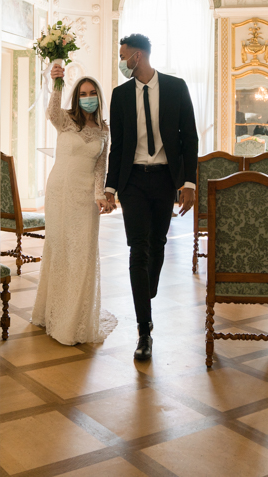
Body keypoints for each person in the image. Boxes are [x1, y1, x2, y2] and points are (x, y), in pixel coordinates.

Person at [103, 34, 199, 361]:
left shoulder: (175, 87)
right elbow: (118, 148)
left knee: (157, 243)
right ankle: (144, 330)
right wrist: (110, 188)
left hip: (164, 180)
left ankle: (147, 289)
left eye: (123, 56)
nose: (121, 61)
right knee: (138, 249)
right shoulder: (119, 96)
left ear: (138, 56)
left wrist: (189, 183)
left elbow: (190, 138)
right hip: (132, 182)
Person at [30, 68, 117, 345]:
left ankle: (75, 318)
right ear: (76, 97)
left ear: (99, 97)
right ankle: (52, 312)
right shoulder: (65, 120)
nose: (88, 98)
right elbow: (51, 112)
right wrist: (57, 81)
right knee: (59, 249)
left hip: (85, 199)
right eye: (82, 94)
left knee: (82, 253)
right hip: (59, 192)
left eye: (92, 94)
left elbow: (100, 166)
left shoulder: (104, 129)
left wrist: (100, 194)